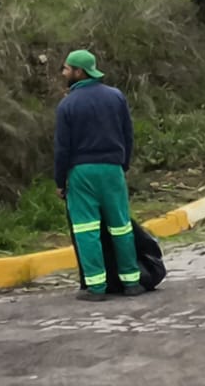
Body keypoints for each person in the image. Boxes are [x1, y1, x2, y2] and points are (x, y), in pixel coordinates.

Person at [54, 49, 142, 301]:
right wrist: (123, 165)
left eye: (67, 68)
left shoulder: (67, 105)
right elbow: (128, 134)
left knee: (86, 229)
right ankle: (132, 282)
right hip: (113, 169)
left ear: (79, 72)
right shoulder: (116, 96)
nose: (64, 73)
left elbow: (62, 148)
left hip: (82, 173)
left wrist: (60, 181)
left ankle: (96, 287)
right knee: (121, 226)